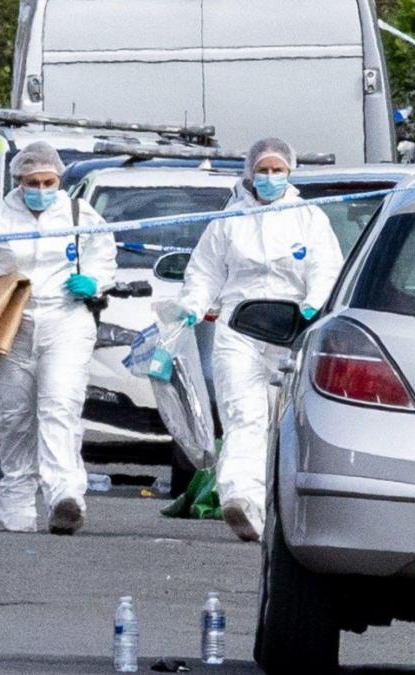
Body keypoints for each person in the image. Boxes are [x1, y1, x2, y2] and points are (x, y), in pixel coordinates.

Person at [175, 137, 343, 542]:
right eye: (263, 171)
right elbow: (204, 272)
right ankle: (239, 499)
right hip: (239, 329)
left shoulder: (308, 218)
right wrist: (193, 305)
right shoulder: (229, 221)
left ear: (290, 171)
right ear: (250, 174)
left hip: (291, 332)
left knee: (283, 424)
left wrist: (314, 304)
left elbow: (327, 266)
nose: (269, 178)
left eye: (276, 170)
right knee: (243, 416)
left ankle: (273, 508)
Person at [0, 141, 117, 534]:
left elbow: (104, 256)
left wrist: (94, 281)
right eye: (33, 181)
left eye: (49, 181)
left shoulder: (80, 215)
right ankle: (17, 503)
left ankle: (64, 496)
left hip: (66, 321)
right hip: (12, 326)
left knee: (60, 405)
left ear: (59, 180)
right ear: (18, 181)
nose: (41, 189)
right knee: (15, 417)